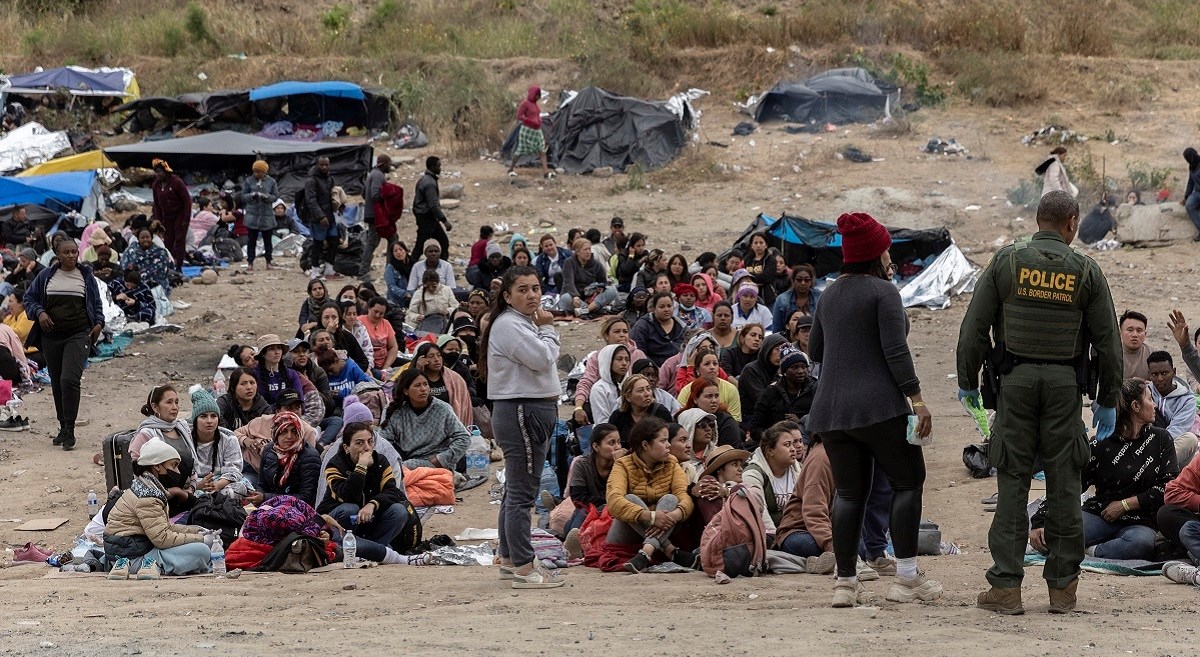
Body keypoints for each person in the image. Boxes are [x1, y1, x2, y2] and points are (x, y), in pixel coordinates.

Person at [958, 191, 1121, 615]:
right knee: (1066, 483)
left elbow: (974, 328)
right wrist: (1108, 399)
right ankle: (1063, 587)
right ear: (1072, 223)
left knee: (1012, 482)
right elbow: (1108, 343)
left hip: (1014, 384)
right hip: (1066, 386)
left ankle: (1007, 587)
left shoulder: (1007, 262)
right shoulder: (1086, 270)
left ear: (1037, 219)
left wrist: (967, 383)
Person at [810, 211, 940, 608]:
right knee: (908, 480)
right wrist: (916, 399)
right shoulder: (884, 293)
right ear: (874, 252)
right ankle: (905, 579)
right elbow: (896, 351)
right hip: (880, 408)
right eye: (885, 248)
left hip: (830, 412)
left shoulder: (830, 293)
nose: (889, 256)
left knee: (850, 493)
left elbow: (815, 351)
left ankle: (845, 583)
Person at [1026, 378, 1174, 564]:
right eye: (1150, 399)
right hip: (1101, 515)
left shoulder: (1161, 439)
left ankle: (1092, 551)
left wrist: (1125, 505)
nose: (1154, 405)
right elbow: (1070, 484)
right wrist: (1040, 522)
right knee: (1055, 535)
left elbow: (1169, 487)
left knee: (1141, 546)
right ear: (1136, 406)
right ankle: (1085, 546)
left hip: (1141, 521)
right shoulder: (1100, 443)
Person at [480, 266, 565, 588]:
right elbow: (543, 359)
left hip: (527, 410)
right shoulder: (510, 325)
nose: (532, 295)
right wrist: (549, 328)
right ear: (507, 296)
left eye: (535, 288)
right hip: (522, 411)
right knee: (521, 494)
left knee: (515, 491)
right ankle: (525, 567)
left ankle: (508, 557)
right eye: (523, 290)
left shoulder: (517, 323)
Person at [23, 236, 104, 450]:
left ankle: (70, 429)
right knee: (57, 381)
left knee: (70, 379)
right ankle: (62, 426)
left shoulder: (85, 275)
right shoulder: (45, 276)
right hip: (51, 336)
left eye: (74, 252)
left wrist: (99, 323)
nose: (70, 256)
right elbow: (29, 299)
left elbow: (96, 303)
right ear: (57, 255)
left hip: (78, 334)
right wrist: (39, 313)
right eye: (66, 252)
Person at [103, 440, 212, 580]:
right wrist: (201, 539)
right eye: (174, 465)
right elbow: (162, 539)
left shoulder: (148, 489)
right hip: (132, 555)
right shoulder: (147, 497)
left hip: (135, 547)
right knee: (201, 551)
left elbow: (164, 528)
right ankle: (151, 565)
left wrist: (196, 530)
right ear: (157, 466)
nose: (177, 471)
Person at [606, 417, 697, 573]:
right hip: (629, 533)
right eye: (663, 441)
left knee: (671, 499)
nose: (669, 446)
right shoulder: (623, 465)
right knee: (630, 499)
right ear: (645, 445)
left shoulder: (672, 464)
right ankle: (669, 549)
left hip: (666, 526)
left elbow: (684, 498)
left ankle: (645, 553)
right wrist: (651, 517)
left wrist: (675, 515)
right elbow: (614, 501)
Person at [318, 421, 411, 559]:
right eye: (359, 443)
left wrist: (372, 504)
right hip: (339, 521)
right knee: (350, 509)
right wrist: (361, 467)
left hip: (368, 519)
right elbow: (348, 496)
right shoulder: (335, 465)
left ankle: (374, 548)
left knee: (398, 510)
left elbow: (393, 492)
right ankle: (364, 549)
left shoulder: (380, 461)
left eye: (370, 442)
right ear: (346, 447)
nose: (366, 448)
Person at [380, 368, 470, 471]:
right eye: (417, 385)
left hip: (438, 462)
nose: (423, 389)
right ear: (406, 391)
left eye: (425, 384)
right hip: (409, 459)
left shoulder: (442, 409)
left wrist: (441, 459)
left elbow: (464, 437)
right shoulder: (397, 412)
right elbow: (383, 441)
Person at [773, 433, 837, 575]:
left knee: (862, 548)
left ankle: (829, 560)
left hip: (831, 530)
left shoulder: (843, 453)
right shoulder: (821, 458)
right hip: (798, 532)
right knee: (808, 546)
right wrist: (832, 545)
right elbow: (814, 512)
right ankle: (816, 562)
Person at [742, 420, 802, 542]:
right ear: (770, 451)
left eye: (793, 444)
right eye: (787, 445)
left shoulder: (800, 470)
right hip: (770, 537)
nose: (793, 449)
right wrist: (774, 539)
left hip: (799, 529)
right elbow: (760, 512)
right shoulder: (753, 474)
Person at [250, 411, 322, 506]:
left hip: (298, 509)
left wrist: (265, 498)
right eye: (284, 431)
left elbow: (306, 497)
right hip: (269, 504)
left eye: (294, 431)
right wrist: (259, 497)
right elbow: (261, 484)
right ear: (276, 433)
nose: (289, 436)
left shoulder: (309, 457)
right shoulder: (269, 450)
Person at [566, 423, 623, 536]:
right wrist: (604, 504)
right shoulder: (582, 464)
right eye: (611, 443)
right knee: (578, 520)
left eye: (619, 442)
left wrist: (619, 466)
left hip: (614, 511)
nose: (618, 447)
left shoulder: (623, 464)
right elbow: (578, 497)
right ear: (596, 447)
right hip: (588, 510)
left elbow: (624, 495)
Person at [188, 386, 244, 498]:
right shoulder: (186, 438)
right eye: (203, 416)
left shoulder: (228, 437)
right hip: (194, 485)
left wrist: (217, 485)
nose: (209, 421)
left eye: (213, 416)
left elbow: (234, 469)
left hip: (222, 482)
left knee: (237, 489)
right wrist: (198, 485)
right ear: (195, 420)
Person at [1146, 350, 1199, 468]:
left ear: (1174, 372)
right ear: (1149, 374)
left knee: (1190, 440)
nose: (1160, 378)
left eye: (1164, 373)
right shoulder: (1143, 393)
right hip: (1143, 447)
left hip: (1169, 448)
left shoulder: (1187, 400)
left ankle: (1149, 468)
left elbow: (1177, 430)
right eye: (1155, 374)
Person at [753, 348, 815, 438]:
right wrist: (773, 436)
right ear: (785, 371)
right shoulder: (771, 392)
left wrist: (802, 422)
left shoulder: (815, 389)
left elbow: (822, 420)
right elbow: (755, 428)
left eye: (804, 366)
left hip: (808, 440)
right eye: (795, 367)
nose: (801, 371)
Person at [736, 333, 788, 432]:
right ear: (767, 350)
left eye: (784, 350)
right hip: (753, 418)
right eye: (777, 349)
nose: (781, 353)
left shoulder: (784, 370)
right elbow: (762, 400)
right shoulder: (751, 370)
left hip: (778, 416)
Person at [608, 374, 675, 446]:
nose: (647, 394)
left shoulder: (660, 412)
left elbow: (671, 441)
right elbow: (609, 441)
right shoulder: (618, 416)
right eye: (640, 391)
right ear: (628, 397)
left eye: (648, 389)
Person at [676, 349, 741, 421]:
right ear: (697, 369)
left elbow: (736, 419)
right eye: (707, 364)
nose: (712, 367)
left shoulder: (731, 389)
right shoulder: (687, 390)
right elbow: (682, 418)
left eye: (715, 364)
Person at [302, 156, 339, 281]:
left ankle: (329, 268)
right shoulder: (311, 180)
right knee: (317, 244)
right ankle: (315, 270)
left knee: (334, 240)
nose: (324, 167)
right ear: (316, 165)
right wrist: (320, 216)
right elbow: (310, 200)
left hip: (330, 216)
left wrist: (340, 205)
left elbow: (333, 195)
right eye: (322, 165)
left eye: (326, 165)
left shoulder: (330, 178)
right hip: (318, 218)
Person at [150, 159, 191, 268]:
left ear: (166, 171)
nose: (157, 174)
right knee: (167, 241)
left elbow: (187, 201)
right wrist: (159, 221)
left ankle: (179, 266)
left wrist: (186, 219)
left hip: (180, 215)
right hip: (166, 217)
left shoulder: (177, 182)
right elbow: (157, 204)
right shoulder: (156, 185)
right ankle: (169, 264)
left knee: (179, 240)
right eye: (156, 172)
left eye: (159, 172)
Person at [559, 238, 615, 317]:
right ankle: (591, 310)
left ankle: (586, 310)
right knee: (565, 298)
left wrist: (600, 288)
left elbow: (603, 282)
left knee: (612, 290)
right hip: (575, 297)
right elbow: (569, 282)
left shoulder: (596, 264)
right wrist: (575, 296)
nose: (588, 252)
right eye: (585, 249)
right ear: (577, 252)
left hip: (591, 298)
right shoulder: (569, 262)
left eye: (589, 249)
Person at [360, 154, 394, 281]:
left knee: (377, 241)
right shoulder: (378, 176)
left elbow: (364, 193)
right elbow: (375, 195)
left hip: (373, 214)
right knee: (389, 240)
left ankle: (388, 269)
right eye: (389, 164)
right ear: (383, 164)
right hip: (377, 215)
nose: (390, 166)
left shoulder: (373, 174)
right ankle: (364, 272)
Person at [681, 378, 743, 449]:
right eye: (709, 396)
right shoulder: (684, 417)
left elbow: (731, 453)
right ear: (695, 399)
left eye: (716, 396)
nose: (714, 400)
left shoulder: (727, 421)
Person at [240, 160, 279, 272]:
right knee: (251, 240)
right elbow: (243, 196)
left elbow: (275, 196)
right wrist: (252, 195)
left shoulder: (271, 181)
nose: (256, 174)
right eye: (255, 171)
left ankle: (268, 261)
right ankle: (250, 262)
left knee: (268, 241)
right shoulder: (249, 181)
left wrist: (266, 197)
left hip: (267, 216)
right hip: (252, 216)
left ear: (264, 172)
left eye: (259, 172)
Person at [508, 86, 552, 179]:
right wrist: (530, 120)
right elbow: (519, 116)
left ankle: (546, 173)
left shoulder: (535, 105)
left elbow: (536, 115)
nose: (539, 97)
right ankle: (511, 168)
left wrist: (539, 120)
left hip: (537, 131)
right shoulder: (525, 104)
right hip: (527, 130)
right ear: (533, 95)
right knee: (520, 151)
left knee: (542, 150)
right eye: (537, 95)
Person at [630, 291, 683, 367]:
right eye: (662, 307)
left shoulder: (681, 326)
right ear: (654, 309)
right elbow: (638, 353)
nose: (666, 309)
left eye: (669, 306)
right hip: (652, 371)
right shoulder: (642, 326)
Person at [251, 334, 303, 409]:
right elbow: (255, 405)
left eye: (279, 348)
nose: (277, 352)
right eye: (272, 349)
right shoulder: (254, 375)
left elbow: (300, 402)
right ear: (263, 353)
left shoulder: (291, 374)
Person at [413, 156, 451, 259]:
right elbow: (433, 205)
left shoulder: (424, 180)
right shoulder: (429, 183)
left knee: (442, 242)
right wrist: (445, 221)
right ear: (432, 166)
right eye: (438, 166)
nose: (440, 169)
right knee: (421, 247)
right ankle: (410, 269)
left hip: (426, 218)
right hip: (427, 218)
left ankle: (440, 267)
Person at [315, 302, 370, 372]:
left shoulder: (346, 336)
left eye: (334, 317)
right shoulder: (314, 336)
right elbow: (318, 359)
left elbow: (363, 361)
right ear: (321, 319)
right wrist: (328, 333)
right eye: (326, 317)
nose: (330, 321)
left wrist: (348, 372)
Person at [122, 229, 174, 295]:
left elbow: (163, 271)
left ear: (151, 238)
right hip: (134, 282)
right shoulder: (131, 250)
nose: (145, 240)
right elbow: (125, 267)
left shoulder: (160, 252)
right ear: (138, 239)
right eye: (142, 238)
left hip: (155, 284)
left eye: (147, 237)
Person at [589, 344, 630, 424]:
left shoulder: (630, 385)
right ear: (608, 361)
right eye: (619, 359)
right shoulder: (599, 389)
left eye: (627, 360)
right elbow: (602, 422)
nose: (624, 363)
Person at [772, 264, 819, 333]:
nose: (803, 283)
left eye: (807, 280)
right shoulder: (781, 300)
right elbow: (777, 330)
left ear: (811, 282)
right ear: (793, 281)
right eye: (799, 280)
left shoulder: (820, 297)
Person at [360, 297, 398, 373]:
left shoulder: (386, 323)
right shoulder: (359, 322)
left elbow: (393, 347)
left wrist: (385, 367)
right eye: (375, 311)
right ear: (369, 308)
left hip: (384, 362)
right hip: (367, 363)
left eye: (381, 313)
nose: (377, 315)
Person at [742, 233, 779, 306]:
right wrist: (756, 280)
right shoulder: (747, 259)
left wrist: (749, 278)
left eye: (761, 243)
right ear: (752, 246)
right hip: (749, 297)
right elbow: (742, 274)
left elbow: (766, 276)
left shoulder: (770, 259)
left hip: (767, 299)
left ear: (766, 245)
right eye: (755, 243)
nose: (758, 245)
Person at [1119, 310, 1151, 380]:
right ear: (1120, 333)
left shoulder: (1153, 354)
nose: (1135, 335)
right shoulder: (1111, 355)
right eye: (1130, 330)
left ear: (1145, 335)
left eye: (1139, 331)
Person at [340, 301, 374, 367]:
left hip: (364, 365)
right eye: (348, 314)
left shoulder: (361, 328)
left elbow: (368, 350)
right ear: (341, 315)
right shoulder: (340, 331)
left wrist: (368, 367)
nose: (352, 317)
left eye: (354, 314)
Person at [384, 241, 412, 308]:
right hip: (396, 302)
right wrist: (405, 294)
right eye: (395, 251)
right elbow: (391, 286)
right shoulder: (390, 267)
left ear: (405, 250)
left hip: (413, 299)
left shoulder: (413, 264)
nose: (398, 252)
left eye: (401, 249)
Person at [1183, 147, 1200, 241]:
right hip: (1198, 192)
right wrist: (1186, 196)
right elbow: (1191, 182)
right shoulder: (1192, 166)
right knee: (1189, 205)